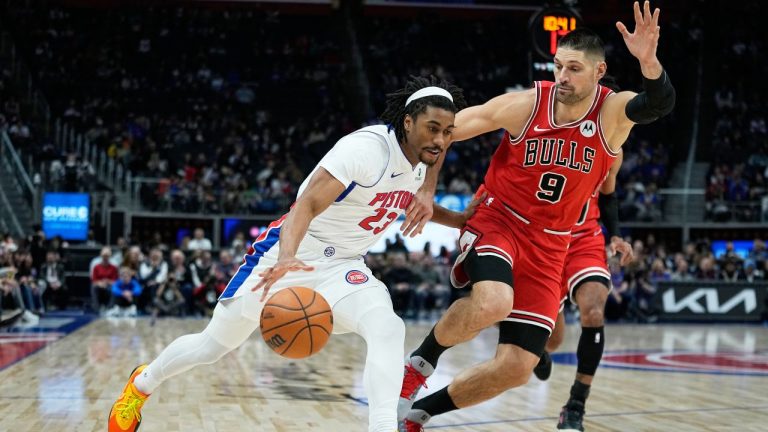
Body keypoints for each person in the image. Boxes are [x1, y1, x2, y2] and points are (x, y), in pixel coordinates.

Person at [107, 76, 475, 432]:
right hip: (291, 252)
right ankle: (140, 385)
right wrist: (286, 256)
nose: (440, 140)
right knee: (212, 345)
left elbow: (421, 177)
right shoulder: (366, 150)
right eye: (432, 129)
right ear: (407, 122)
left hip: (343, 265)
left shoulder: (422, 157)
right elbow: (305, 205)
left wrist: (456, 217)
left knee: (388, 327)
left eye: (447, 131)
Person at [399, 3, 675, 430]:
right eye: (560, 66)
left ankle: (419, 414)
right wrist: (428, 187)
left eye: (575, 68)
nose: (562, 76)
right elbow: (446, 128)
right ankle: (420, 363)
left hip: (553, 242)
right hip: (500, 219)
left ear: (599, 72)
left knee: (517, 367)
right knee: (493, 300)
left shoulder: (612, 113)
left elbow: (659, 103)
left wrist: (648, 61)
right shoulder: (527, 104)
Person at [531, 152, 634, 431]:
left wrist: (615, 234)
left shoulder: (611, 146)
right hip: (542, 241)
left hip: (584, 241)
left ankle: (576, 404)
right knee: (552, 342)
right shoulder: (543, 135)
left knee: (594, 312)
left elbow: (608, 194)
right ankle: (537, 350)